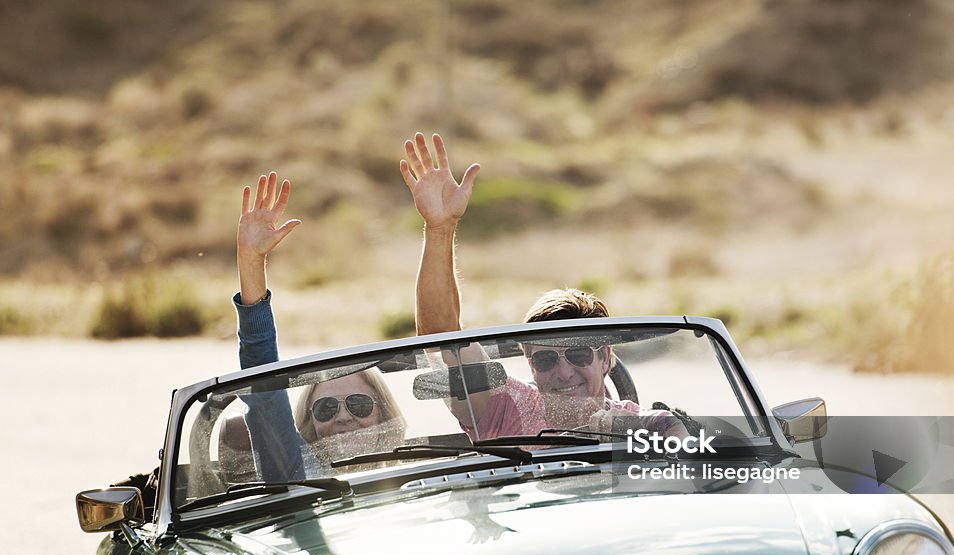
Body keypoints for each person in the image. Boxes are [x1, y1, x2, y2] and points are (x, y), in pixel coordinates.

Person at [401, 132, 685, 440]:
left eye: (578, 355)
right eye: (546, 359)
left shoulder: (649, 424)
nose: (563, 372)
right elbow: (441, 338)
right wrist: (440, 228)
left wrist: (630, 440)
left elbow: (692, 448)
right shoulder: (507, 407)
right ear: (529, 362)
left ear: (605, 357)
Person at [233, 172, 405, 476]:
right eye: (326, 408)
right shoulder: (295, 474)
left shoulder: (418, 482)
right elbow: (264, 387)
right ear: (310, 424)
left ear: (383, 416)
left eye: (359, 404)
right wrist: (251, 262)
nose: (342, 418)